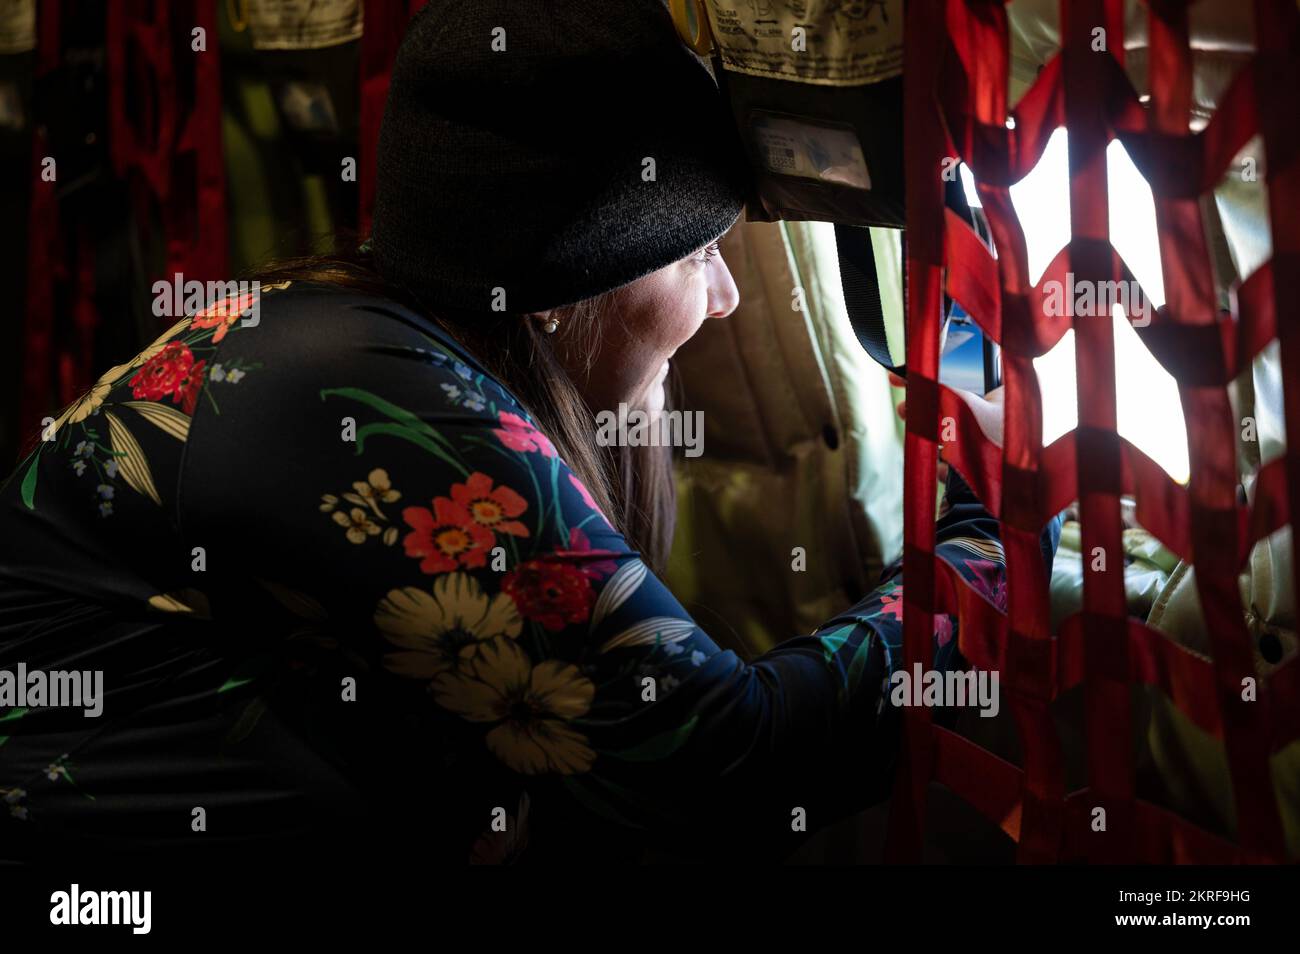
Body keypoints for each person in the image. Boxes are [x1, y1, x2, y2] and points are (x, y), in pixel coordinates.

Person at [0, 0, 1059, 864]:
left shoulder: (357, 337)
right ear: (565, 285)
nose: (729, 297)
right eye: (696, 256)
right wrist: (998, 541)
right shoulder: (367, 415)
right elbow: (726, 762)